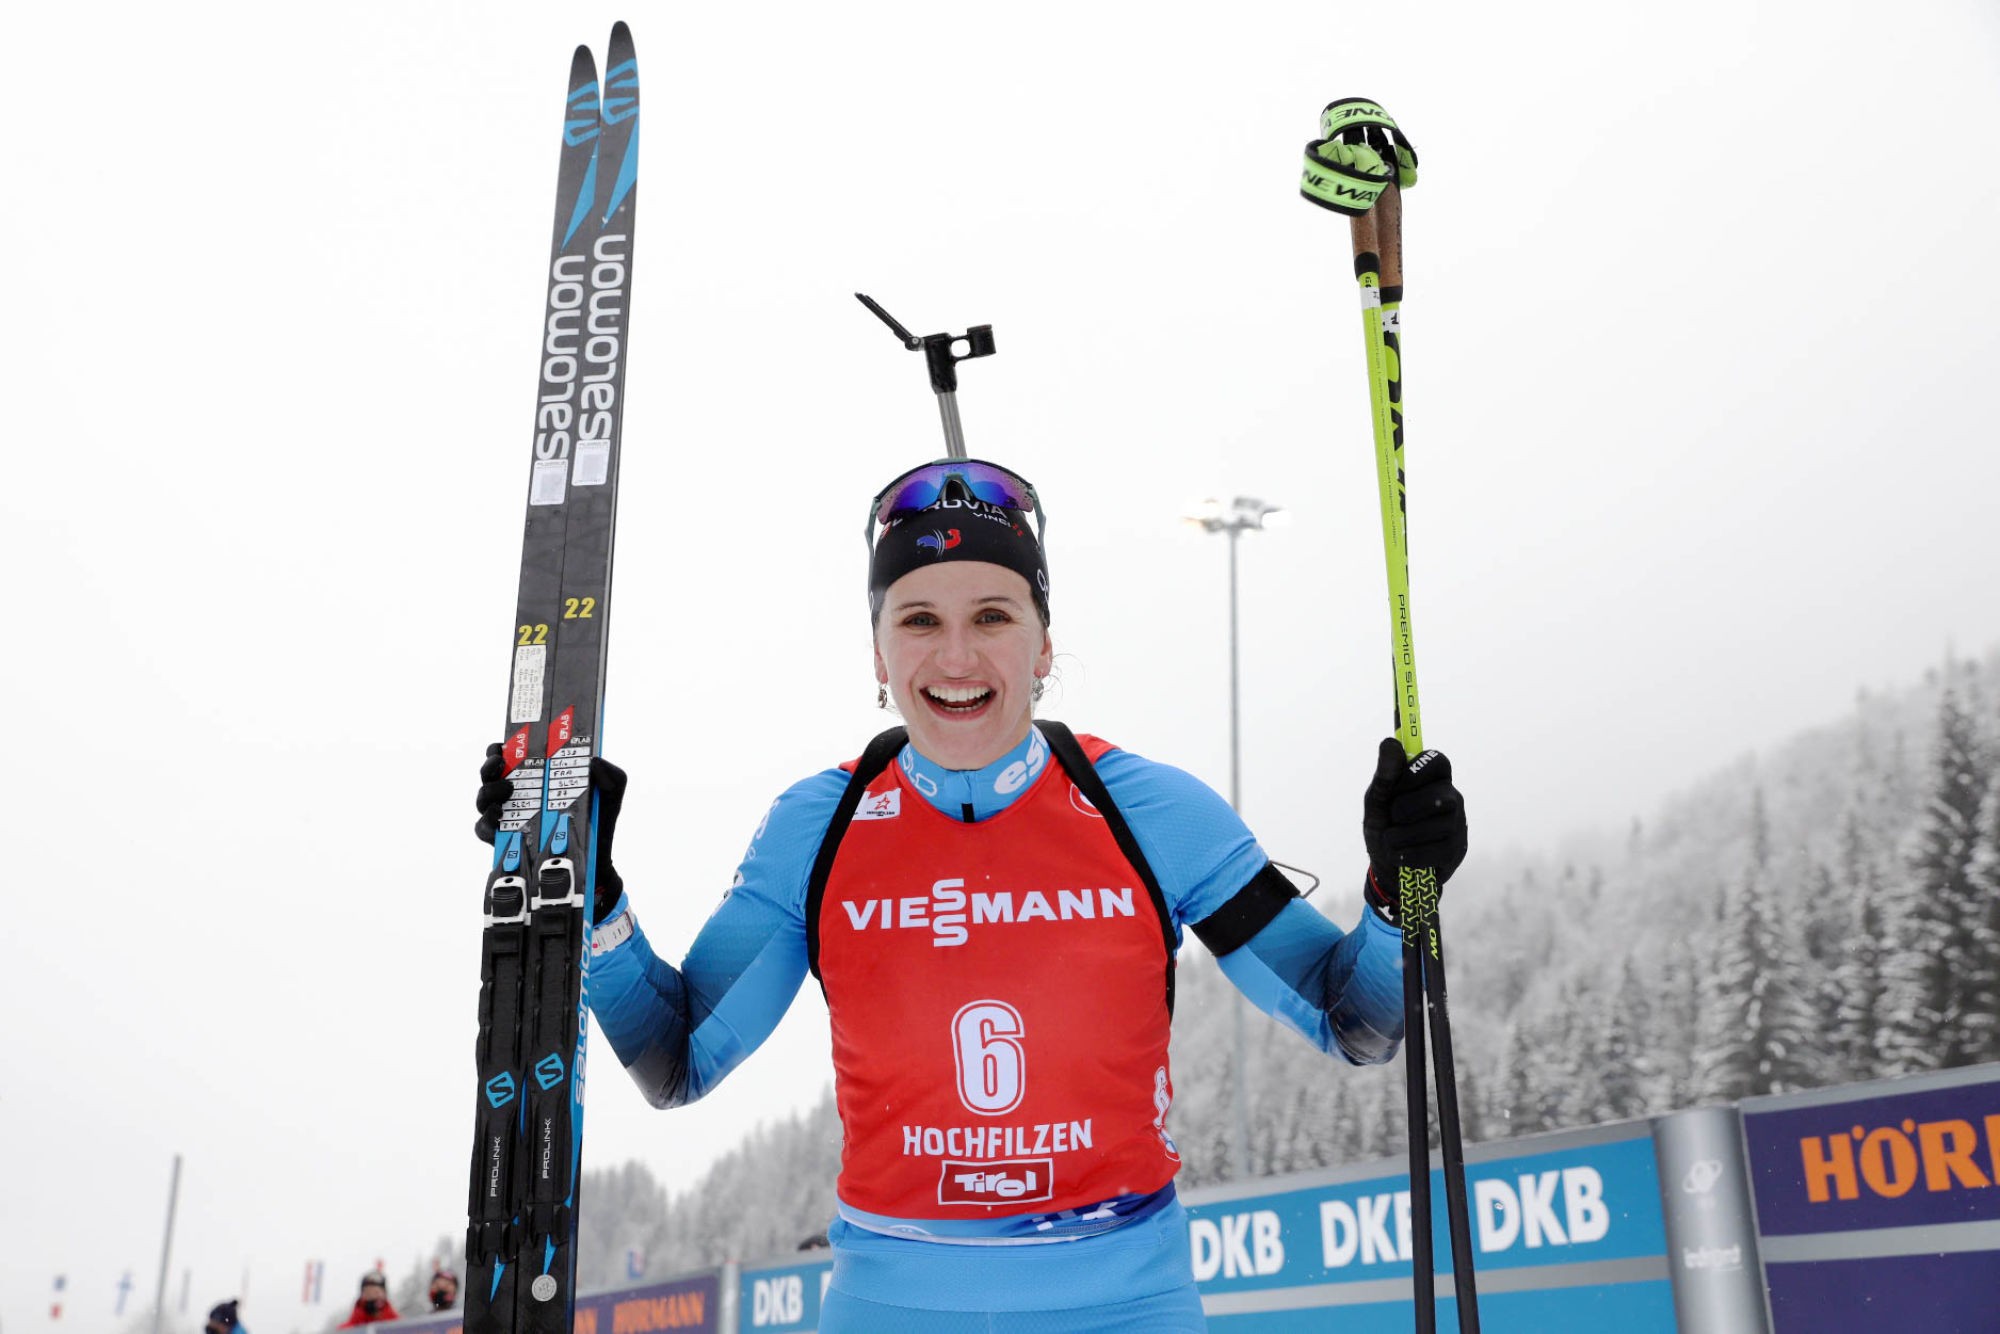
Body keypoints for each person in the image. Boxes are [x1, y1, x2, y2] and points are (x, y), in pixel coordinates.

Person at [475, 458, 1468, 1333]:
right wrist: (589, 894)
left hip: (1125, 1300)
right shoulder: (817, 826)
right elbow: (674, 1056)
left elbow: (1360, 1023)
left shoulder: (1150, 811)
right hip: (890, 1300)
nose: (956, 658)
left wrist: (1398, 890)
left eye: (992, 616)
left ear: (1042, 642)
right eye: (919, 619)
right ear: (878, 654)